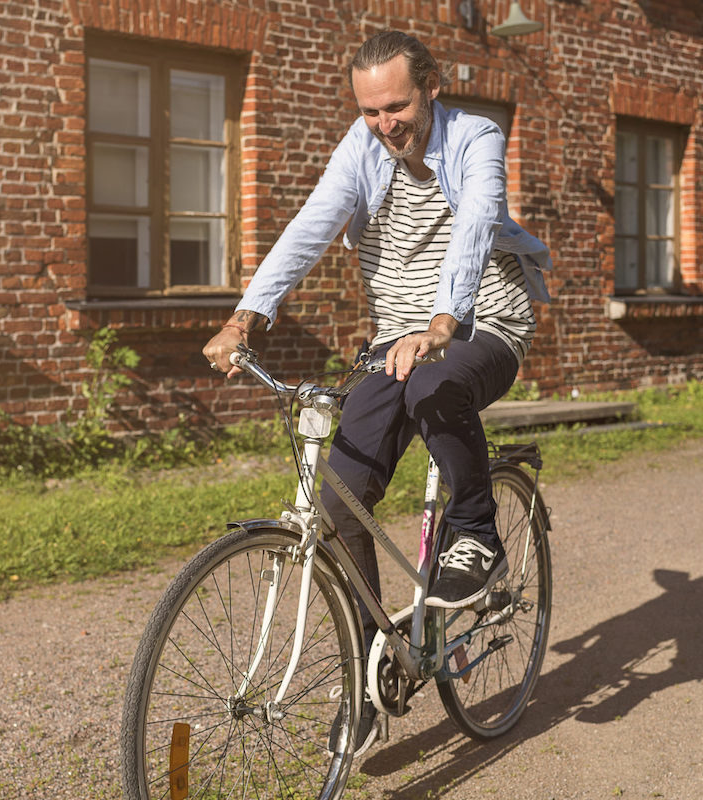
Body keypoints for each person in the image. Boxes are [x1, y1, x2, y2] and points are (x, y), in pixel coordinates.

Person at [202, 30, 551, 749]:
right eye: (370, 111)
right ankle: (368, 678)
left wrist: (444, 322)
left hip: (481, 322)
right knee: (336, 502)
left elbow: (479, 221)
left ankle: (478, 538)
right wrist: (245, 317)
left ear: (430, 88)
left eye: (396, 106)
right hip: (399, 339)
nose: (384, 124)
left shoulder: (476, 135)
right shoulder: (360, 150)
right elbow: (312, 224)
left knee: (433, 385)